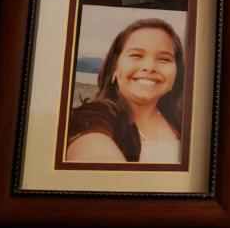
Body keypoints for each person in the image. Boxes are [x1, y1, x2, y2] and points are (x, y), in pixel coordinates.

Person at [66, 18, 185, 163]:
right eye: (136, 55)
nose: (149, 66)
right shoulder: (95, 116)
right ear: (114, 67)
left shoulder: (183, 121)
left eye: (164, 59)